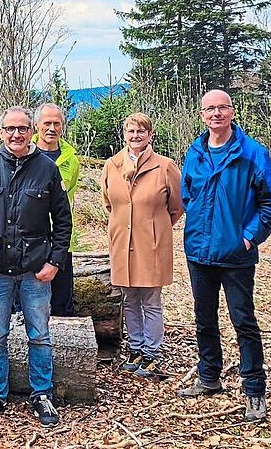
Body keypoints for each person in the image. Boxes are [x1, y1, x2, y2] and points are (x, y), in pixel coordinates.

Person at [176, 89, 271, 423]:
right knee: (204, 318)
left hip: (236, 255)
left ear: (232, 112)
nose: (216, 114)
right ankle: (209, 377)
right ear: (202, 115)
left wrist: (249, 238)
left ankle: (254, 389)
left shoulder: (252, 153)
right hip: (199, 252)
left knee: (243, 322)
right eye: (210, 109)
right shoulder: (195, 151)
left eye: (222, 108)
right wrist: (195, 223)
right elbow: (187, 193)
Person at [0, 106, 72, 428]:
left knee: (39, 335)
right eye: (10, 129)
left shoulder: (46, 169)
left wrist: (55, 260)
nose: (16, 135)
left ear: (31, 131)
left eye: (22, 129)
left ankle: (42, 395)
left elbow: (63, 221)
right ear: (1, 132)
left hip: (35, 269)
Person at [101, 113, 184, 377]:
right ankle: (135, 349)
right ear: (124, 135)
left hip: (152, 244)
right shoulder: (112, 165)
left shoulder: (165, 166)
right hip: (122, 242)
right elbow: (109, 203)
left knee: (150, 299)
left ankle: (152, 353)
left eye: (141, 131)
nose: (135, 136)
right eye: (131, 131)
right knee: (129, 298)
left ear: (150, 136)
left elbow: (177, 207)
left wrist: (153, 228)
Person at [31, 103, 81, 317]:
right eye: (47, 123)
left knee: (62, 300)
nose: (51, 128)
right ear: (36, 126)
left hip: (61, 240)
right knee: (29, 300)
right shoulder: (25, 153)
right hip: (30, 239)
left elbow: (68, 197)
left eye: (56, 124)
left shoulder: (71, 158)